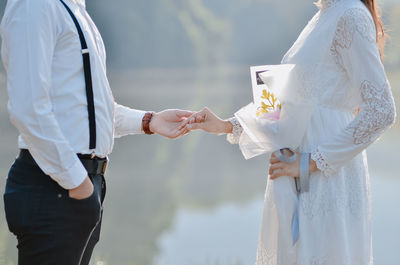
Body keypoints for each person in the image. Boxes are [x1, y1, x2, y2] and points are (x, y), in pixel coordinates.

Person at [183, 0, 396, 264]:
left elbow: (382, 110)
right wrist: (227, 125)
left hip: (324, 178)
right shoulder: (322, 16)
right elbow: (287, 100)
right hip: (297, 173)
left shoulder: (351, 14)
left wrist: (312, 162)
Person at [1, 0, 192, 264]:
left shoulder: (75, 8)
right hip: (55, 187)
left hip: (78, 186)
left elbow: (89, 110)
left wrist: (149, 121)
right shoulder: (35, 5)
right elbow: (28, 109)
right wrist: (77, 183)